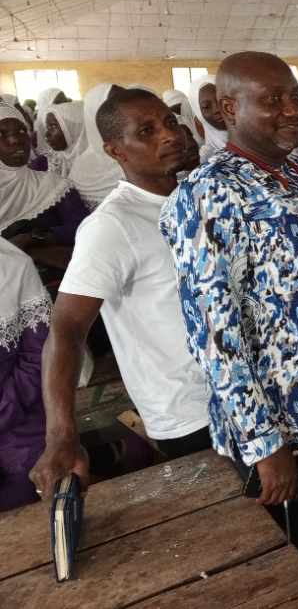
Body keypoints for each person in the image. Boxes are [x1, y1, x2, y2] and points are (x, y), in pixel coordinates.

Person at [161, 52, 298, 608]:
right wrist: (263, 444)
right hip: (278, 429)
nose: (292, 110)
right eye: (272, 100)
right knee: (288, 568)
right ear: (229, 108)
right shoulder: (208, 194)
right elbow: (214, 334)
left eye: (293, 96)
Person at [28, 89, 211, 502]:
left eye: (169, 122)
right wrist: (61, 434)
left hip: (239, 394)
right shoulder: (112, 225)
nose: (169, 135)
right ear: (115, 151)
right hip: (189, 410)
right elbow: (67, 327)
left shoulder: (196, 199)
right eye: (146, 131)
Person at [0, 239, 49, 511]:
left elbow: (38, 356)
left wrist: (5, 408)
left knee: (31, 491)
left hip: (19, 418)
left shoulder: (13, 266)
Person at [0, 100, 88, 245]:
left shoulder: (54, 185)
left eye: (21, 131)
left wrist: (36, 238)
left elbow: (83, 227)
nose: (15, 140)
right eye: (1, 134)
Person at [68, 83, 125, 210]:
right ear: (94, 116)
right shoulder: (81, 170)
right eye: (115, 107)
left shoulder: (146, 153)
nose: (127, 111)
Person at [40, 100, 87, 177]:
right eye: (47, 128)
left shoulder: (94, 162)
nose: (47, 134)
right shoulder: (56, 158)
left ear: (72, 128)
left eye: (53, 126)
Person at [187, 75, 227, 161]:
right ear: (199, 113)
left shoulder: (253, 137)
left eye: (220, 100)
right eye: (206, 107)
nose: (217, 109)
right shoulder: (208, 157)